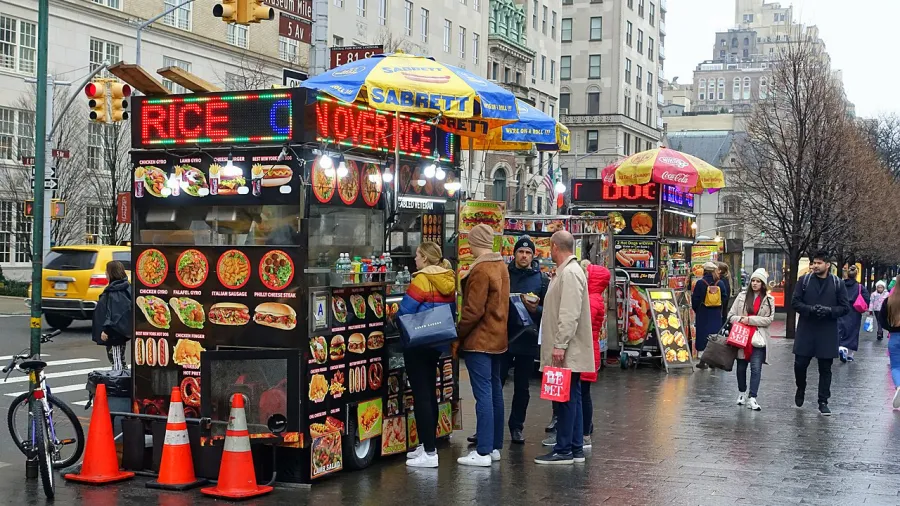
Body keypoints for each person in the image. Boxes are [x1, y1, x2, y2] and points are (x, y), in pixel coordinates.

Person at [534, 231, 594, 465]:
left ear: (555, 246)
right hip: (570, 347)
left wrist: (560, 344)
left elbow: (568, 313)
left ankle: (564, 449)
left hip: (567, 349)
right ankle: (575, 447)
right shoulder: (570, 271)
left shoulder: (569, 273)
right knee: (573, 397)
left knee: (565, 398)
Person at [398, 242, 456, 468]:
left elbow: (405, 310)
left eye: (417, 256)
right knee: (430, 392)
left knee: (421, 395)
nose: (414, 260)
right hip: (437, 341)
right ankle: (426, 443)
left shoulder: (422, 279)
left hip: (419, 342)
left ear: (425, 258)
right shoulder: (448, 278)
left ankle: (430, 453)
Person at [457, 224, 510, 467]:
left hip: (480, 340)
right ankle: (495, 446)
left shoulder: (480, 269)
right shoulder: (501, 265)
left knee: (483, 394)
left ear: (473, 242)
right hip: (498, 337)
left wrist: (458, 333)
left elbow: (472, 311)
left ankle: (483, 451)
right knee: (496, 391)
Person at [498, 237, 550, 444]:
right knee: (496, 383)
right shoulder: (504, 274)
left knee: (522, 387)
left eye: (528, 253)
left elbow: (548, 311)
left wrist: (535, 309)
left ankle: (517, 427)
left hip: (527, 338)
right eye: (521, 252)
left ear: (533, 256)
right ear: (514, 253)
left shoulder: (541, 280)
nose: (524, 256)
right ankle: (489, 426)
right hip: (503, 336)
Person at [791, 251, 850, 416]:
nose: (815, 266)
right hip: (806, 329)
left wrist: (829, 311)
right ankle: (800, 387)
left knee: (825, 368)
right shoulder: (804, 280)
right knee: (800, 364)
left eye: (818, 263)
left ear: (827, 265)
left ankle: (823, 401)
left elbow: (845, 307)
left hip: (827, 331)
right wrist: (809, 309)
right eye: (813, 263)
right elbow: (795, 302)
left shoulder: (837, 283)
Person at [726, 268, 775, 411]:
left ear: (763, 284)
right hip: (741, 336)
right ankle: (742, 392)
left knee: (756, 368)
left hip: (758, 338)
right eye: (753, 281)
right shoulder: (741, 296)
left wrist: (750, 320)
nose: (754, 283)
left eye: (758, 281)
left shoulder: (769, 299)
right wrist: (742, 320)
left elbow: (769, 320)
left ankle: (753, 397)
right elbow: (730, 316)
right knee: (741, 368)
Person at [579, 259, 610, 446]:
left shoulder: (590, 300)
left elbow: (583, 325)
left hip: (586, 352)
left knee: (582, 394)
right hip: (590, 351)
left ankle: (584, 432)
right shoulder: (595, 297)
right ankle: (586, 429)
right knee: (584, 393)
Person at [92, 261, 132, 371]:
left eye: (106, 271)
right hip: (119, 332)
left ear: (111, 273)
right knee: (118, 359)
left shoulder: (115, 290)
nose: (105, 273)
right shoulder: (124, 287)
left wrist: (107, 330)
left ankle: (120, 383)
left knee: (117, 361)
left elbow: (115, 314)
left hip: (114, 334)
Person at [692, 262, 727, 369]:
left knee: (702, 335)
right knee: (715, 336)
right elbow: (725, 298)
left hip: (703, 312)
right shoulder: (720, 283)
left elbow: (695, 299)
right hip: (716, 313)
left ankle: (703, 361)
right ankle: (713, 361)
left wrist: (697, 309)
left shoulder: (700, 283)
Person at [876, 275, 900, 408]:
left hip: (895, 336)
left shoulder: (889, 300)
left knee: (896, 366)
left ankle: (899, 386)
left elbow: (881, 319)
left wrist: (890, 327)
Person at [838, 265, 869, 362]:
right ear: (856, 275)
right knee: (853, 331)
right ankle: (850, 353)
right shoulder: (860, 287)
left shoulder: (840, 285)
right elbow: (867, 299)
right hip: (854, 311)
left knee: (840, 329)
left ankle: (841, 346)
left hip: (841, 310)